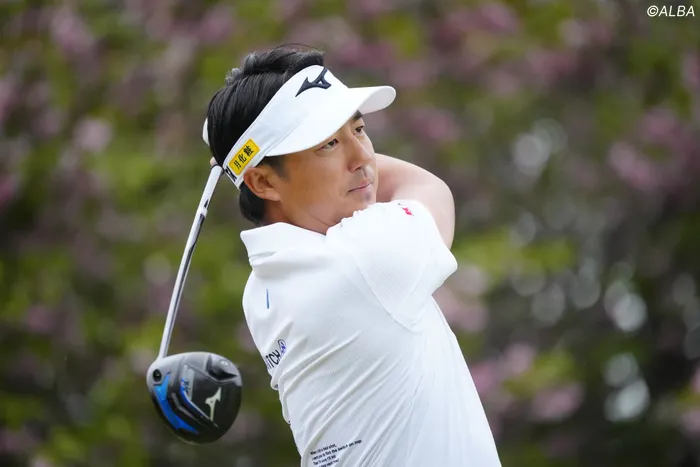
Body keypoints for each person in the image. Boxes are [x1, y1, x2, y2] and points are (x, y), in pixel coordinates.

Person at [202, 45, 501, 467]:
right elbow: (429, 187)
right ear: (264, 183)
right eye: (328, 144)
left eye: (359, 129)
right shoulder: (364, 259)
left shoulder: (261, 289)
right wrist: (244, 159)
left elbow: (364, 172)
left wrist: (242, 161)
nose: (363, 157)